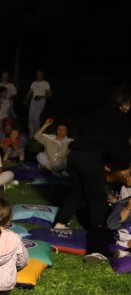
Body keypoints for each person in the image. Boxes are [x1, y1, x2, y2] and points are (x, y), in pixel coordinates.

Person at [53, 84, 131, 263]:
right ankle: (97, 249)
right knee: (97, 200)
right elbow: (118, 145)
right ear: (126, 103)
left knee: (76, 191)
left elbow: (86, 132)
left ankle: (59, 224)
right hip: (91, 158)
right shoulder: (120, 118)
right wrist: (122, 164)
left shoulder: (100, 112)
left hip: (75, 155)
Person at [25, 70, 52, 137]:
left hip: (41, 101)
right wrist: (26, 99)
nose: (38, 75)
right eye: (37, 74)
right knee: (30, 118)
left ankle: (37, 133)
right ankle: (31, 134)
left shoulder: (45, 83)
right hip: (33, 101)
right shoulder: (34, 83)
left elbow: (50, 94)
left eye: (40, 74)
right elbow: (30, 92)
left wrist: (41, 97)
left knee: (36, 118)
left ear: (43, 75)